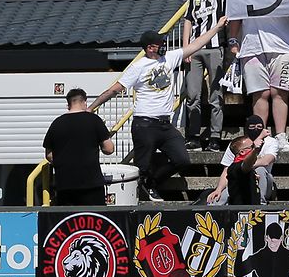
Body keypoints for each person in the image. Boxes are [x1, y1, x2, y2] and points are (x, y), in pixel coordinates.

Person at [88, 20, 226, 202]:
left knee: (182, 159)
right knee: (142, 166)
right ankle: (137, 195)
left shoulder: (170, 58)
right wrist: (91, 107)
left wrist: (216, 28)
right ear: (150, 48)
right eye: (159, 44)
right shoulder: (138, 67)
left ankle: (152, 183)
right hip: (144, 124)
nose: (163, 46)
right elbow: (115, 89)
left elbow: (197, 44)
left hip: (165, 125)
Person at [230, 16, 289, 152]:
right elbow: (236, 9)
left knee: (279, 93)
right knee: (260, 93)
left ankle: (281, 136)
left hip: (285, 45)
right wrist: (233, 39)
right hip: (252, 46)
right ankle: (261, 137)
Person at [182, 0, 227, 152]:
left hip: (216, 47)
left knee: (215, 95)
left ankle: (215, 137)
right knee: (192, 95)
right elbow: (188, 20)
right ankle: (193, 136)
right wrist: (186, 48)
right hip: (195, 47)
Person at [43, 88, 115, 206]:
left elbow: (49, 156)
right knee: (94, 220)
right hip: (91, 184)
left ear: (68, 104)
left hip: (64, 184)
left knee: (69, 221)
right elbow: (109, 149)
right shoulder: (94, 120)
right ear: (85, 102)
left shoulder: (57, 123)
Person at [208, 115, 278, 206]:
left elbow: (265, 161)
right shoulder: (238, 145)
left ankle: (261, 203)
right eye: (252, 127)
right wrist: (218, 189)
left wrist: (251, 171)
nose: (256, 129)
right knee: (217, 200)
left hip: (262, 181)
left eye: (259, 127)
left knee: (260, 169)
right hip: (240, 182)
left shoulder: (271, 142)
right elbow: (228, 169)